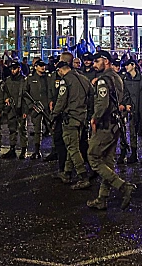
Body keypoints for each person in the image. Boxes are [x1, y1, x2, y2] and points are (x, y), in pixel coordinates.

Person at [85, 51, 137, 211]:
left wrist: (95, 119)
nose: (94, 65)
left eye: (97, 61)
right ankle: (102, 198)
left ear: (105, 61)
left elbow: (102, 104)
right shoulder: (117, 78)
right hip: (116, 124)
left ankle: (123, 186)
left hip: (104, 124)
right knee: (107, 161)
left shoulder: (103, 80)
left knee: (93, 157)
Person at [51, 59, 90, 189]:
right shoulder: (83, 78)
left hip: (70, 117)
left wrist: (54, 115)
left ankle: (83, 176)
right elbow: (91, 96)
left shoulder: (65, 81)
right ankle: (66, 173)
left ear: (61, 69)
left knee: (73, 148)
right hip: (81, 117)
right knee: (72, 145)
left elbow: (61, 101)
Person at [22, 59, 51, 159]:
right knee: (37, 130)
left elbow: (51, 92)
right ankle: (36, 151)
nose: (43, 67)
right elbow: (25, 93)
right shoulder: (30, 79)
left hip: (47, 108)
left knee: (53, 128)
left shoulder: (48, 78)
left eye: (43, 65)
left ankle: (55, 150)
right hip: (36, 108)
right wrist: (31, 105)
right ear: (35, 67)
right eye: (40, 66)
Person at [1, 61, 27, 159]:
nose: (13, 70)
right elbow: (5, 92)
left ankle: (23, 150)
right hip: (11, 109)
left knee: (22, 130)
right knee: (12, 129)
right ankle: (12, 149)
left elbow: (26, 97)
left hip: (20, 108)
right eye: (12, 68)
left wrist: (25, 111)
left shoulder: (24, 80)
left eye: (15, 68)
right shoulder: (8, 80)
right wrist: (6, 98)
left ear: (19, 69)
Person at [121, 59, 142, 164]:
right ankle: (134, 153)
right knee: (133, 132)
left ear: (133, 65)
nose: (126, 67)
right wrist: (127, 103)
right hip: (133, 108)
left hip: (141, 108)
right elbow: (125, 93)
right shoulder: (126, 79)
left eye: (127, 65)